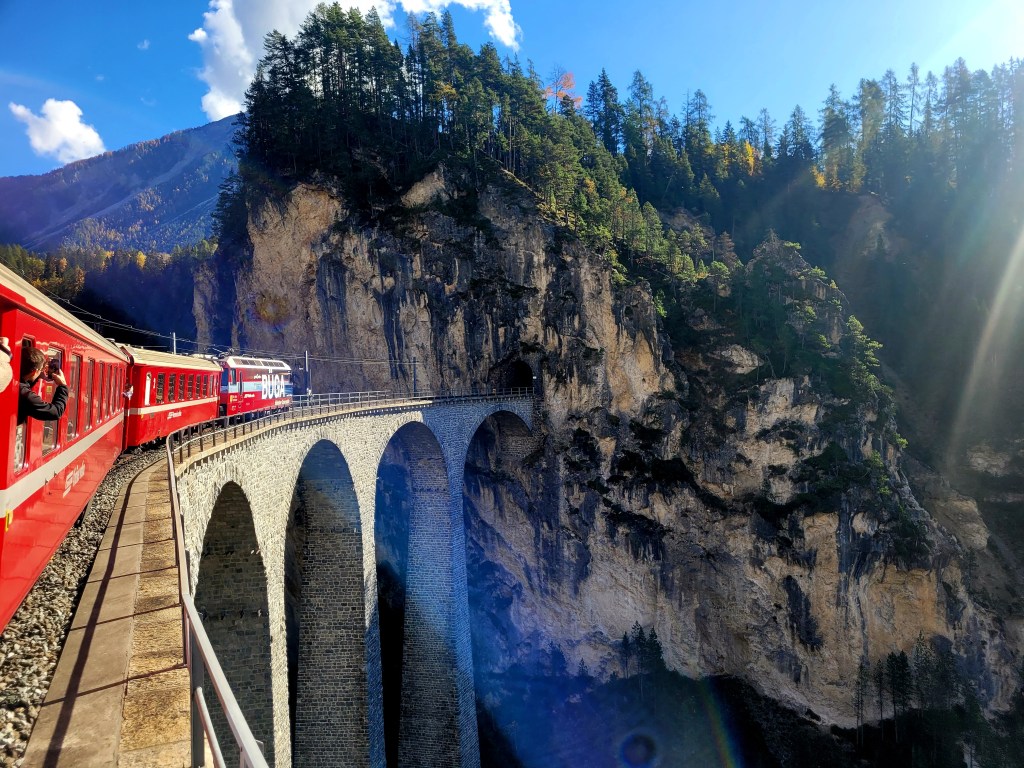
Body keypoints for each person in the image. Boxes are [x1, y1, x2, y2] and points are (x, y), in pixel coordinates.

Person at [18, 347, 68, 424]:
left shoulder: (13, 381)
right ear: (34, 372)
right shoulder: (26, 397)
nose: (43, 371)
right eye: (41, 369)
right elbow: (56, 412)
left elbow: (24, 383)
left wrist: (38, 373)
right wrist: (62, 386)